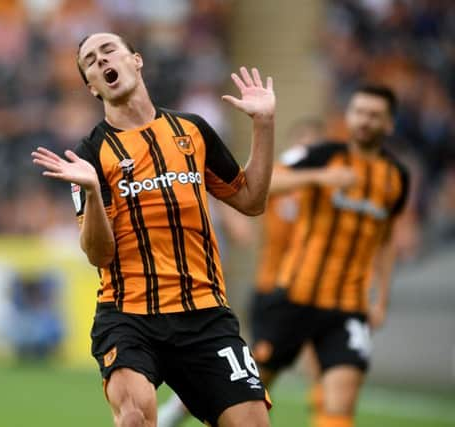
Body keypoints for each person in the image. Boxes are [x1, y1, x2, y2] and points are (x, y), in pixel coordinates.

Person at [32, 32, 275, 427]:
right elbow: (98, 254)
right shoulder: (90, 154)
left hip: (205, 314)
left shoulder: (192, 132)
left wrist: (264, 125)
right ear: (92, 87)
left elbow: (251, 200)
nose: (101, 60)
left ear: (136, 60)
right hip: (129, 315)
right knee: (133, 418)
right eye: (90, 62)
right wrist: (93, 192)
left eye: (108, 50)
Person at [256, 85, 409, 427]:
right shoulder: (322, 154)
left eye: (375, 115)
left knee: (340, 405)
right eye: (359, 112)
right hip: (295, 294)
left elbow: (384, 242)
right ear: (349, 116)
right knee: (249, 392)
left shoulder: (396, 177)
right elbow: (264, 183)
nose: (365, 121)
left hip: (348, 306)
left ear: (389, 124)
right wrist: (317, 177)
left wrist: (381, 299)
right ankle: (176, 413)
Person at [157, 118, 327, 427]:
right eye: (304, 146)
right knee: (245, 374)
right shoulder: (289, 178)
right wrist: (317, 175)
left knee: (325, 372)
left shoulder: (323, 194)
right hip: (275, 291)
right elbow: (260, 192)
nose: (309, 153)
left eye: (315, 148)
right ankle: (178, 408)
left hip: (316, 292)